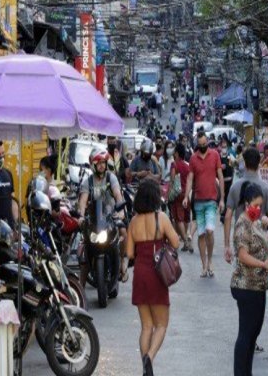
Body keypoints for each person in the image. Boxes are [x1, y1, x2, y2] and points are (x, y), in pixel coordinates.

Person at [127, 178, 180, 376]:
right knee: (161, 325)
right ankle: (149, 357)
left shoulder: (133, 222)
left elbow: (130, 253)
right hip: (157, 274)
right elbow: (175, 242)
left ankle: (145, 367)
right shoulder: (162, 218)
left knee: (146, 326)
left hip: (140, 273)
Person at [231, 183, 268, 376]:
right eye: (255, 205)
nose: (258, 209)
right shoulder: (242, 224)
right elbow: (242, 255)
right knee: (246, 334)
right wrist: (262, 264)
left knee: (253, 333)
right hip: (246, 285)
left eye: (260, 206)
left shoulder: (255, 222)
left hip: (258, 286)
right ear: (246, 203)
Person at [78, 149, 128, 284]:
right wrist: (81, 216)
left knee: (123, 232)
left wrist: (121, 211)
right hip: (94, 219)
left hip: (111, 216)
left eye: (103, 163)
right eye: (98, 163)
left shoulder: (111, 177)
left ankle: (122, 260)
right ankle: (79, 289)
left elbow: (118, 195)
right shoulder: (87, 181)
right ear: (93, 165)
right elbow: (83, 201)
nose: (101, 165)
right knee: (85, 247)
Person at [224, 147, 268, 264]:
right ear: (259, 163)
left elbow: (228, 216)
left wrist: (227, 245)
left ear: (244, 163)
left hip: (240, 241)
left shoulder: (235, 187)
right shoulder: (266, 188)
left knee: (242, 274)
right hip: (260, 242)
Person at [183, 132, 224, 278]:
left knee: (210, 231)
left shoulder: (215, 155)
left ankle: (210, 260)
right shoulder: (193, 159)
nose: (203, 147)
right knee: (200, 234)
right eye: (200, 145)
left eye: (204, 144)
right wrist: (186, 196)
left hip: (211, 200)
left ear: (208, 142)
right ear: (197, 145)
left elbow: (220, 176)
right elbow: (189, 178)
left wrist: (222, 199)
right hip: (198, 201)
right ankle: (204, 265)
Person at [171, 143, 193, 253]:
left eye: (174, 151)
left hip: (177, 194)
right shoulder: (187, 165)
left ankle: (185, 241)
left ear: (177, 153)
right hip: (186, 194)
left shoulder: (174, 165)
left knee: (178, 218)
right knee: (186, 217)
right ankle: (186, 239)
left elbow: (172, 179)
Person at [219, 139, 235, 223]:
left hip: (229, 179)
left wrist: (229, 166)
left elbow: (233, 166)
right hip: (221, 180)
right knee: (222, 196)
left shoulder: (230, 155)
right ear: (220, 147)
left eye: (225, 146)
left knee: (227, 197)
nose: (224, 148)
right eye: (222, 146)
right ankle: (222, 213)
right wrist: (220, 167)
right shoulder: (218, 156)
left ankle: (225, 214)